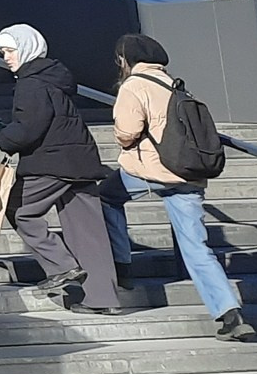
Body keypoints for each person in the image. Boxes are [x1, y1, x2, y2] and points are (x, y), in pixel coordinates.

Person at [101, 35, 248, 341]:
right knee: (197, 248)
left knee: (106, 197)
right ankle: (229, 315)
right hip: (187, 175)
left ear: (125, 60)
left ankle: (122, 264)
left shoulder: (134, 85)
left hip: (149, 171)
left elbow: (126, 134)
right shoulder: (175, 84)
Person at [0, 25, 124, 315]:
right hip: (82, 159)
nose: (5, 57)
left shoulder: (31, 82)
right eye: (2, 52)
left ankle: (63, 266)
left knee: (18, 210)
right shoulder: (56, 77)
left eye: (10, 50)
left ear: (26, 49)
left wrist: (3, 135)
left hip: (50, 162)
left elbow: (29, 128)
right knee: (88, 230)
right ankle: (102, 298)